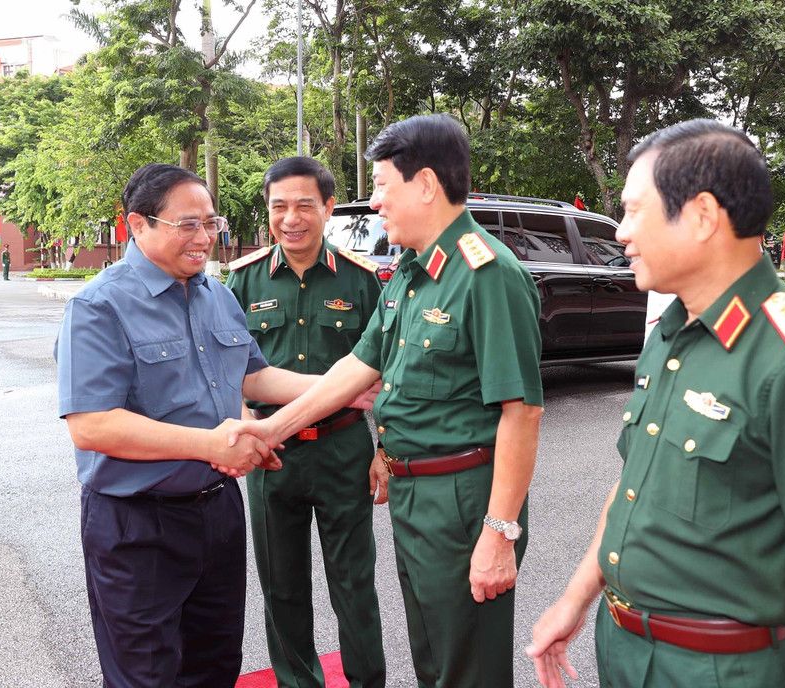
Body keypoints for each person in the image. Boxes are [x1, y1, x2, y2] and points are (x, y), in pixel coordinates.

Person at [526, 119, 785, 688]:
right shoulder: (672, 331)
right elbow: (634, 485)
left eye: (635, 211)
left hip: (719, 669)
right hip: (623, 650)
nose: (620, 232)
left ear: (702, 216)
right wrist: (575, 600)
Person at [228, 114, 545, 687]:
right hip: (414, 494)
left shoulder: (486, 274)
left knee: (467, 666)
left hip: (462, 499)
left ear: (424, 184)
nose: (374, 203)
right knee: (433, 657)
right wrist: (269, 433)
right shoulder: (411, 273)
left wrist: (500, 533)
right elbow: (355, 368)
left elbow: (522, 412)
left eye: (380, 186)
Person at [55, 163, 372, 688]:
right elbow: (92, 426)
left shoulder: (216, 294)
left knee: (215, 666)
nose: (204, 238)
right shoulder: (98, 306)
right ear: (138, 225)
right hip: (138, 524)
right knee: (148, 675)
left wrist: (344, 387)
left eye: (212, 223)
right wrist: (212, 444)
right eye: (188, 225)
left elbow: (257, 377)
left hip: (217, 514)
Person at [226, 156, 387, 688]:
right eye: (279, 207)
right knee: (282, 587)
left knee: (353, 584)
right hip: (272, 459)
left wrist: (383, 450)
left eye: (304, 205)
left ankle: (367, 681)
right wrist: (244, 429)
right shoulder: (243, 281)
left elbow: (389, 374)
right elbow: (230, 373)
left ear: (328, 208)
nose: (291, 218)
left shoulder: (363, 282)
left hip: (343, 451)